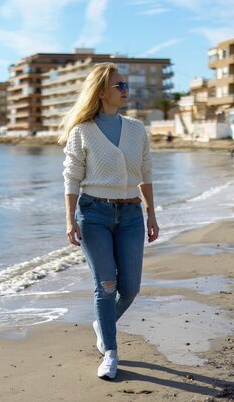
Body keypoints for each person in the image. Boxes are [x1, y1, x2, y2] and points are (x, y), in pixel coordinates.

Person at [59, 62, 159, 380]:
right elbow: (71, 178)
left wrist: (152, 214)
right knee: (106, 285)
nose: (126, 90)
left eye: (126, 85)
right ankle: (111, 353)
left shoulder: (136, 129)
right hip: (93, 214)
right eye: (119, 86)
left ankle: (103, 323)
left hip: (131, 215)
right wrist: (69, 220)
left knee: (130, 289)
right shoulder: (82, 132)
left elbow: (146, 174)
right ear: (102, 91)